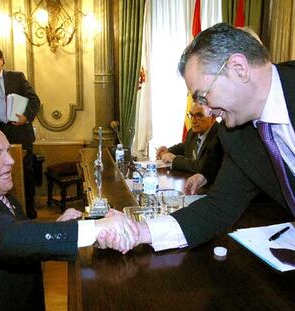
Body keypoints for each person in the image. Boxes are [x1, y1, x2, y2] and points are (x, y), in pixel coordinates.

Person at [99, 22, 295, 252]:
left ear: (239, 68)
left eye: (203, 96)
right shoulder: (236, 135)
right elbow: (218, 207)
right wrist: (139, 231)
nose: (207, 111)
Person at [0, 119, 138, 311]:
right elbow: (8, 239)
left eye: (7, 151)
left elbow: (19, 235)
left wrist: (58, 225)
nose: (11, 160)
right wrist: (97, 228)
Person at [0, 46, 40, 219]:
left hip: (20, 131)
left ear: (2, 60)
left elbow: (34, 100)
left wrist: (26, 117)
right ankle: (8, 211)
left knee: (26, 173)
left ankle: (29, 209)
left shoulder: (17, 78)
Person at [156, 102, 223, 178]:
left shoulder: (219, 136)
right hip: (189, 181)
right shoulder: (192, 132)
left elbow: (202, 167)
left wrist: (174, 159)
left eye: (199, 116)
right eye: (191, 115)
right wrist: (167, 151)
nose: (193, 121)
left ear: (212, 118)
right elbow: (184, 147)